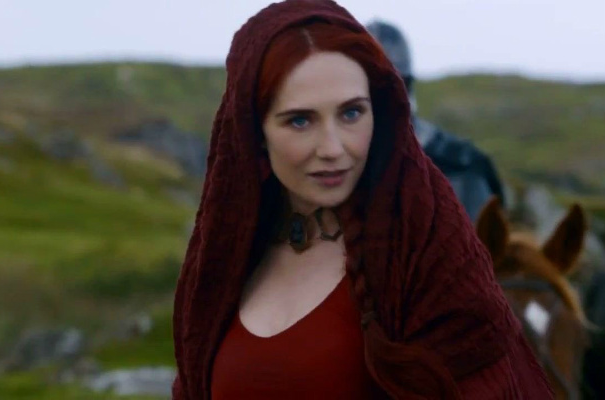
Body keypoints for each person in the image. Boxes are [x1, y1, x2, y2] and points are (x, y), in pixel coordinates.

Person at [172, 1, 553, 398]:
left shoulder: (425, 259)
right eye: (300, 120)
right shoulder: (223, 263)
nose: (332, 148)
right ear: (255, 132)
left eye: (351, 113)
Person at [366, 21, 505, 222]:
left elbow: (480, 237)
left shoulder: (462, 165)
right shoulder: (340, 164)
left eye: (389, 85)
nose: (380, 98)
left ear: (406, 85)